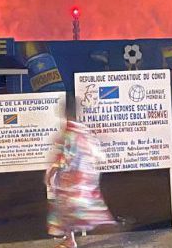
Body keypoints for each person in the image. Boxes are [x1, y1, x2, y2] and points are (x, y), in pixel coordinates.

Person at [44, 103, 115, 248]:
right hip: (84, 177)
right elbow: (96, 154)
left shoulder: (69, 133)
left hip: (71, 179)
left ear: (65, 115)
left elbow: (65, 157)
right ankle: (71, 240)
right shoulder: (84, 131)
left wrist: (52, 171)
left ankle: (104, 229)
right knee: (74, 208)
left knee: (69, 208)